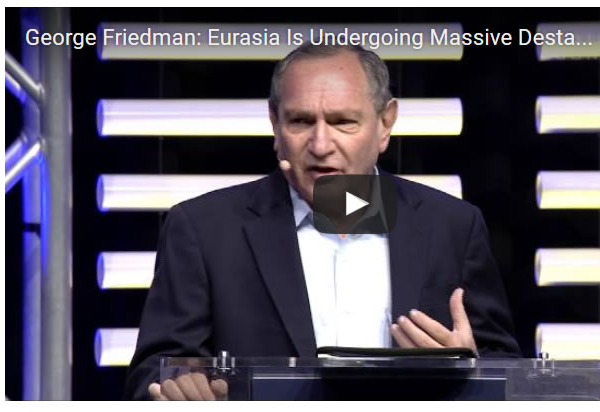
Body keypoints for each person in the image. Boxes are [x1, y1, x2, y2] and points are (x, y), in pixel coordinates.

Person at [124, 43, 520, 401]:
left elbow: (510, 372)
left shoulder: (452, 225)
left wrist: (470, 372)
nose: (320, 145)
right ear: (275, 124)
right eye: (300, 121)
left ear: (385, 124)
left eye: (343, 122)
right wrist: (178, 391)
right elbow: (152, 376)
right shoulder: (204, 229)